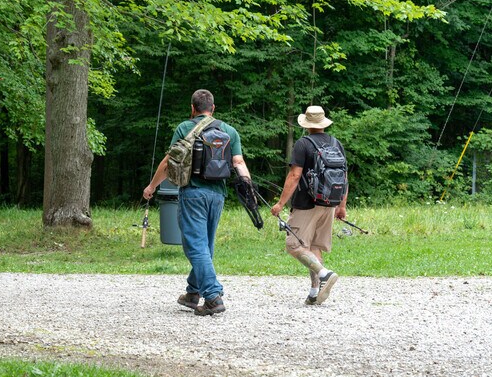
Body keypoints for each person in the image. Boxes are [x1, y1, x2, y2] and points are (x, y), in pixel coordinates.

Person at [143, 89, 251, 316]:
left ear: (192, 108)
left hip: (193, 193)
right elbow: (239, 162)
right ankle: (193, 293)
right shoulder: (229, 131)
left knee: (195, 245)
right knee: (205, 245)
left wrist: (152, 186)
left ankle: (212, 296)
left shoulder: (185, 128)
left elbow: (168, 162)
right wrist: (248, 188)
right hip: (218, 196)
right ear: (213, 108)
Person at [270, 105, 348, 305]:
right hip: (329, 203)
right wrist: (341, 206)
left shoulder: (303, 144)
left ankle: (324, 274)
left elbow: (295, 175)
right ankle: (315, 292)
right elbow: (344, 177)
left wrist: (280, 203)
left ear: (306, 124)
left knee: (294, 245)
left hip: (306, 204)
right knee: (313, 246)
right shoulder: (335, 143)